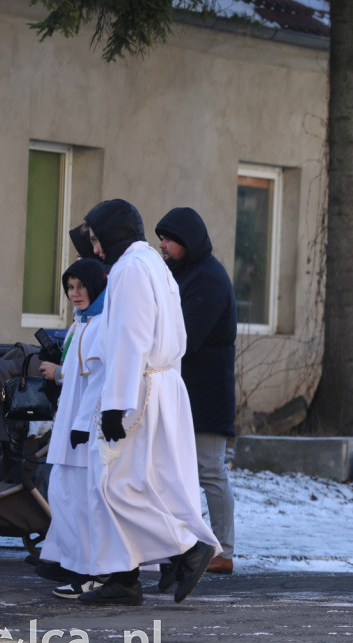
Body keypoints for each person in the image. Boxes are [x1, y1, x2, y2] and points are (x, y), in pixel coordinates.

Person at [77, 199, 220, 606]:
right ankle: (124, 575)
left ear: (112, 233)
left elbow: (130, 338)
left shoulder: (131, 270)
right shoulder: (153, 266)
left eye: (97, 238)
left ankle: (185, 549)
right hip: (161, 385)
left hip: (140, 388)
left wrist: (114, 406)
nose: (96, 248)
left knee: (115, 484)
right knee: (149, 482)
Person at [155, 207, 238, 577]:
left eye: (169, 239)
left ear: (188, 241)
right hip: (187, 390)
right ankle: (192, 543)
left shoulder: (208, 279)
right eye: (161, 238)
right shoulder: (184, 274)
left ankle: (224, 548)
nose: (163, 245)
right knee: (185, 471)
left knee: (209, 470)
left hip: (206, 391)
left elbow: (184, 336)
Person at [37, 258, 108, 598]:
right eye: (70, 287)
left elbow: (95, 380)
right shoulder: (83, 321)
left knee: (80, 503)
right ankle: (73, 566)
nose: (75, 293)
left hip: (83, 431)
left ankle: (90, 573)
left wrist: (81, 426)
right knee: (65, 498)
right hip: (71, 426)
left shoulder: (99, 324)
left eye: (81, 286)